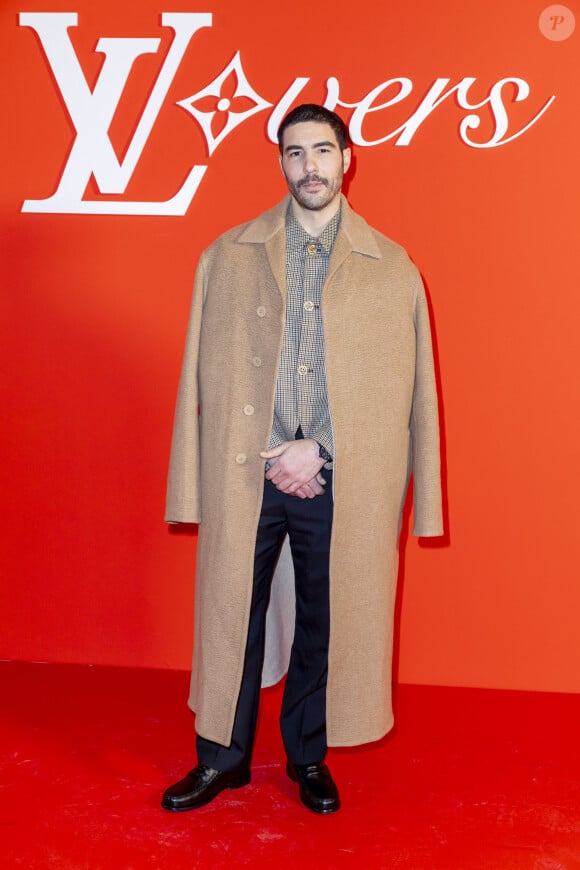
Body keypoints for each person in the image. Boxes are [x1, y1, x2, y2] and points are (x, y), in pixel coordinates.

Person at [162, 104, 443, 815]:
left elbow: (408, 394)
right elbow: (199, 376)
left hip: (338, 478)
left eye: (323, 150)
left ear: (348, 159)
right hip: (245, 473)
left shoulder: (393, 268)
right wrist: (198, 480)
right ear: (281, 162)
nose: (309, 166)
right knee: (232, 612)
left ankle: (307, 757)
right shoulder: (226, 255)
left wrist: (318, 448)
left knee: (330, 616)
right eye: (294, 153)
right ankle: (222, 759)